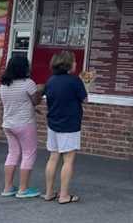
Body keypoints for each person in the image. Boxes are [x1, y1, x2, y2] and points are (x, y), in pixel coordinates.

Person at [42, 51, 87, 204]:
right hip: (70, 124)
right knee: (68, 160)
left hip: (53, 123)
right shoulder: (75, 81)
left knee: (53, 157)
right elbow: (85, 99)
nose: (76, 64)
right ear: (68, 64)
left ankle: (48, 193)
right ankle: (64, 195)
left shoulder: (50, 81)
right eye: (74, 61)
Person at [0, 55, 43, 198]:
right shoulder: (28, 83)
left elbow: (15, 103)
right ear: (23, 67)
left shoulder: (4, 84)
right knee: (29, 153)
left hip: (8, 124)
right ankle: (23, 189)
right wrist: (40, 90)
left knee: (12, 153)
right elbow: (36, 101)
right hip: (24, 124)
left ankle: (8, 187)